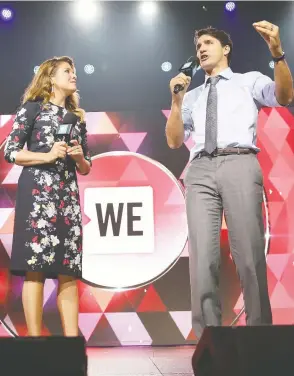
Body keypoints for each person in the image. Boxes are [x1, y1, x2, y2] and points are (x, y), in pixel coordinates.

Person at [166, 21, 293, 340]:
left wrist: (277, 54)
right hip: (200, 170)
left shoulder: (248, 81)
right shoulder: (192, 95)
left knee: (249, 253)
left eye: (208, 42)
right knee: (202, 259)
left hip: (238, 161)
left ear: (225, 49)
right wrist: (177, 101)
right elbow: (173, 140)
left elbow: (285, 95)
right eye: (198, 46)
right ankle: (209, 340)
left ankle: (260, 336)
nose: (201, 49)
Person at [4, 56, 92, 336]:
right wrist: (47, 155)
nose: (73, 75)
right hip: (37, 198)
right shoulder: (32, 110)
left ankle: (71, 343)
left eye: (74, 71)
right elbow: (10, 152)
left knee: (69, 271)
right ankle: (34, 342)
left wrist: (79, 158)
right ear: (51, 78)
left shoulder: (77, 117)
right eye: (67, 71)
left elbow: (87, 166)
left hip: (67, 199)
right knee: (35, 268)